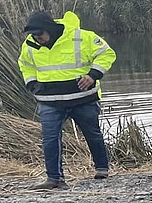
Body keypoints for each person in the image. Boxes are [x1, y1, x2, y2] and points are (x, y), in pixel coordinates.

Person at [18, 10, 117, 190]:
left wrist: (93, 75)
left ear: (49, 28)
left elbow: (107, 53)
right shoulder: (30, 45)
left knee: (92, 134)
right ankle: (54, 179)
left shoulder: (82, 37)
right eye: (34, 35)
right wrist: (32, 84)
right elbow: (25, 65)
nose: (37, 38)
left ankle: (102, 169)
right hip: (49, 100)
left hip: (83, 98)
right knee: (50, 138)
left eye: (39, 34)